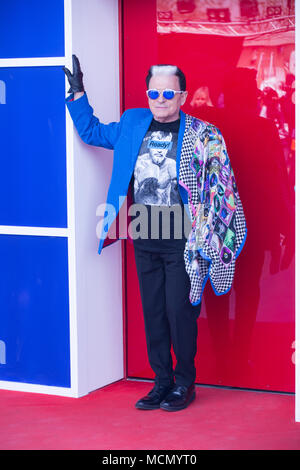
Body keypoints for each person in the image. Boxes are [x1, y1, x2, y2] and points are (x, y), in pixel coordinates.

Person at [63, 56, 246, 412]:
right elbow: (93, 133)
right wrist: (78, 94)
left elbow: (221, 187)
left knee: (180, 311)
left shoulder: (202, 134)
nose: (159, 99)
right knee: (153, 311)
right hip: (143, 232)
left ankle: (184, 384)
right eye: (153, 92)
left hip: (184, 237)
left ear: (183, 96)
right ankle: (160, 382)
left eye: (167, 93)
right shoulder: (133, 122)